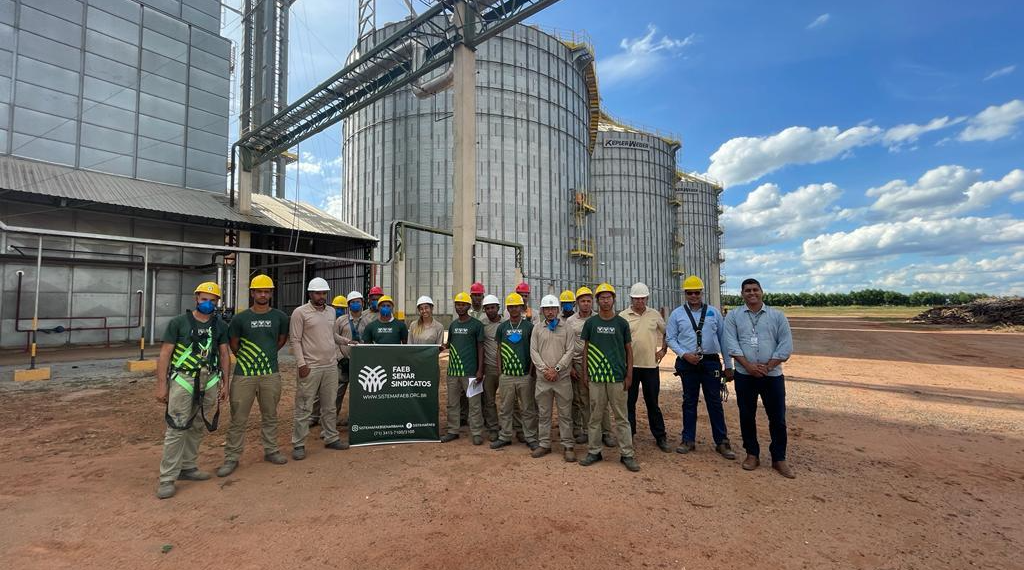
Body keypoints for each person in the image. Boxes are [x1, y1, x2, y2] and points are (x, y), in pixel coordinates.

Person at [154, 281, 231, 499]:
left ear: (217, 302)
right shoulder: (178, 323)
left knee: (198, 424)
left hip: (210, 379)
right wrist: (161, 385)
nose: (208, 303)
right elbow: (165, 355)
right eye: (204, 299)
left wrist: (226, 383)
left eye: (212, 300)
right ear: (196, 299)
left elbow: (224, 355)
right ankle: (167, 478)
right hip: (184, 378)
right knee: (177, 426)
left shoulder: (220, 326)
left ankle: (188, 466)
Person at [216, 275, 290, 478]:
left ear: (271, 294)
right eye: (259, 291)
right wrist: (250, 359)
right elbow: (234, 344)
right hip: (244, 375)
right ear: (252, 293)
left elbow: (281, 340)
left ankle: (271, 450)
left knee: (270, 415)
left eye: (267, 291)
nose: (263, 294)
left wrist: (266, 357)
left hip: (270, 374)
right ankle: (231, 457)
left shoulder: (280, 317)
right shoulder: (240, 319)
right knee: (238, 418)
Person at [723, 278, 794, 478]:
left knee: (777, 418)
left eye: (755, 289)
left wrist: (768, 366)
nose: (751, 293)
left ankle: (779, 458)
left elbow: (785, 345)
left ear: (762, 291)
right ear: (742, 294)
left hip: (772, 376)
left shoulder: (777, 316)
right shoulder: (734, 317)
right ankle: (752, 454)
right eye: (747, 290)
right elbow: (731, 343)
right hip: (745, 375)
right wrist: (748, 366)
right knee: (747, 416)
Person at [666, 275, 736, 460]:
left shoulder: (713, 312)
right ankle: (687, 439)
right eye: (690, 293)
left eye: (697, 292)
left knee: (714, 401)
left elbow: (723, 339)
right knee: (689, 401)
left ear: (702, 293)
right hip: (688, 363)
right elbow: (670, 338)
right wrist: (684, 354)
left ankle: (722, 441)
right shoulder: (677, 314)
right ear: (685, 294)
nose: (694, 296)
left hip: (711, 361)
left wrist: (728, 366)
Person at [579, 283, 639, 472]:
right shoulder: (591, 323)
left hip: (617, 378)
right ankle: (594, 451)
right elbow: (586, 349)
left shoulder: (621, 323)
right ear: (598, 301)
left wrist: (629, 375)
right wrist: (585, 373)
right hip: (596, 377)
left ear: (614, 299)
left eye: (608, 297)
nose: (605, 301)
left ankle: (627, 454)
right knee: (595, 416)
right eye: (602, 298)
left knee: (622, 417)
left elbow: (629, 350)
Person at [290, 277, 347, 460]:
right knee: (305, 406)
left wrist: (346, 341)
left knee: (330, 405)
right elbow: (295, 340)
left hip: (330, 366)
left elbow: (332, 335)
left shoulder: (331, 312)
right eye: (318, 293)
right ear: (310, 294)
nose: (321, 296)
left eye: (324, 293)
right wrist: (301, 364)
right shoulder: (300, 313)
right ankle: (298, 443)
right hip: (310, 367)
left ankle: (331, 437)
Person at [620, 282, 670, 453]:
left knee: (653, 403)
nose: (639, 301)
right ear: (631, 299)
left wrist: (663, 350)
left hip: (650, 366)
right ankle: (629, 436)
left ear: (647, 298)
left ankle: (660, 436)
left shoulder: (654, 315)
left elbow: (667, 332)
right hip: (630, 368)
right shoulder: (623, 316)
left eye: (642, 298)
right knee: (629, 403)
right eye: (636, 299)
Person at [530, 295, 576, 461]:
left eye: (553, 308)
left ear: (558, 310)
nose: (550, 312)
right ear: (542, 310)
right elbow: (533, 352)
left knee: (565, 414)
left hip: (562, 379)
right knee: (544, 414)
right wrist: (545, 370)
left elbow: (569, 351)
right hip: (543, 380)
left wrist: (556, 369)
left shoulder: (567, 328)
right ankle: (544, 444)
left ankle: (568, 445)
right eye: (546, 309)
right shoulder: (537, 328)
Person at [566, 286, 614, 446]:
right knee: (584, 400)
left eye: (588, 301)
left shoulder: (598, 318)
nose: (586, 304)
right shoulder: (571, 321)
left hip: (597, 364)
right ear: (577, 303)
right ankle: (587, 431)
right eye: (582, 301)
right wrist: (571, 366)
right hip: (579, 365)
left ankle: (606, 433)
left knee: (602, 400)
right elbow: (567, 345)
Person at [490, 292, 538, 451]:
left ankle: (530, 437)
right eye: (510, 307)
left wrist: (531, 372)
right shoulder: (502, 327)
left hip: (525, 375)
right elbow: (498, 350)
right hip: (507, 376)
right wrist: (500, 371)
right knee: (505, 408)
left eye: (516, 306)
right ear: (507, 309)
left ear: (522, 307)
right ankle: (505, 436)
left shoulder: (529, 327)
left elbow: (533, 350)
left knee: (527, 408)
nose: (513, 309)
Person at [442, 292, 486, 444]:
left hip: (471, 372)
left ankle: (477, 432)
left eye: (463, 304)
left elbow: (481, 348)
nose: (460, 307)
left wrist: (480, 370)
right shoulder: (453, 325)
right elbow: (449, 344)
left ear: (468, 306)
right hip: (453, 372)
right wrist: (440, 348)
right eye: (457, 305)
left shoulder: (476, 325)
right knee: (452, 403)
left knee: (474, 403)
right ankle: (453, 430)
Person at [330, 290, 371, 427]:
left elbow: (370, 341)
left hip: (361, 364)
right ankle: (331, 423)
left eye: (358, 302)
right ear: (348, 305)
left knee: (359, 394)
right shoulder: (340, 321)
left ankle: (356, 420)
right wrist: (340, 358)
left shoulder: (368, 321)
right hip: (343, 364)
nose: (355, 305)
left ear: (362, 303)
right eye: (352, 303)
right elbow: (334, 340)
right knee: (336, 394)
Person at [479, 294, 506, 441]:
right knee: (489, 400)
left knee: (508, 400)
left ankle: (511, 426)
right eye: (487, 308)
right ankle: (493, 428)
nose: (490, 310)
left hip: (506, 368)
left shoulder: (506, 324)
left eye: (493, 307)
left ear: (498, 308)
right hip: (489, 368)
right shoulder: (482, 325)